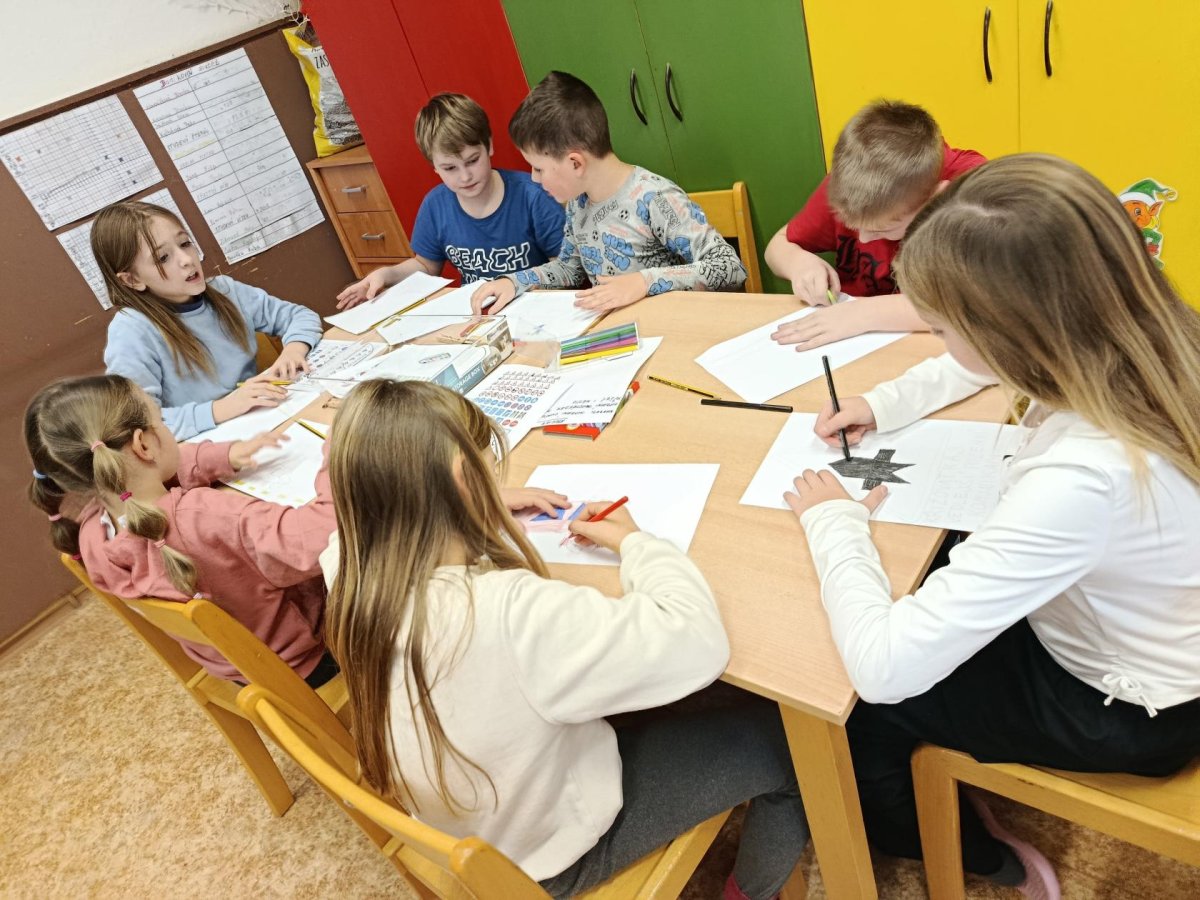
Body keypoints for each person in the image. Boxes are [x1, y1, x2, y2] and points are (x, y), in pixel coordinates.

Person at [785, 154, 1200, 899]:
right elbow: (978, 363)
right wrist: (885, 403)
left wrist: (834, 523)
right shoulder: (1141, 334)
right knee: (927, 565)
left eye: (944, 327)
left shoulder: (1084, 476)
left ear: (1011, 333)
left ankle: (973, 857)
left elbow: (885, 668)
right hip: (1149, 635)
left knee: (853, 707)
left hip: (1131, 707)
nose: (943, 342)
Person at [321, 379, 808, 900]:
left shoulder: (345, 566)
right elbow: (697, 641)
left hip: (474, 825)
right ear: (464, 480)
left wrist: (470, 505)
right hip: (551, 857)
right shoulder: (508, 614)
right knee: (793, 750)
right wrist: (636, 542)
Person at [26, 374, 340, 686]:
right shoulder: (204, 516)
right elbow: (322, 539)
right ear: (143, 444)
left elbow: (159, 467)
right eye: (160, 420)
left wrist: (224, 455)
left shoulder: (91, 537)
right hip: (311, 660)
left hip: (239, 668)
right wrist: (339, 449)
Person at [470, 71, 746, 315]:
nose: (534, 177)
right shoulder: (578, 204)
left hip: (669, 328)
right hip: (618, 334)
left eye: (539, 168)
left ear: (575, 163)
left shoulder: (654, 197)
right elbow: (569, 269)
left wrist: (643, 282)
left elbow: (729, 266)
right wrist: (513, 282)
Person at [765, 100, 985, 350]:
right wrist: (797, 263)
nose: (864, 239)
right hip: (853, 337)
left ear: (935, 198)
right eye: (851, 224)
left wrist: (863, 314)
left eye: (883, 229)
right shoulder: (853, 184)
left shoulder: (973, 193)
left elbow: (977, 306)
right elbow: (776, 247)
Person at [97, 200, 323, 439]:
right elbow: (139, 423)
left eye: (185, 243)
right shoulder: (131, 330)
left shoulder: (225, 290)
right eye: (163, 258)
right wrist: (221, 409)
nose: (187, 259)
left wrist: (293, 351)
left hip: (264, 419)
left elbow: (299, 315)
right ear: (132, 280)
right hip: (206, 444)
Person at [335, 93, 565, 309]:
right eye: (450, 168)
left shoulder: (533, 197)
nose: (465, 176)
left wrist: (518, 285)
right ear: (434, 167)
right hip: (477, 315)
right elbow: (426, 266)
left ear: (489, 145)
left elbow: (566, 267)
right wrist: (386, 275)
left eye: (472, 160)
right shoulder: (435, 205)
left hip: (534, 309)